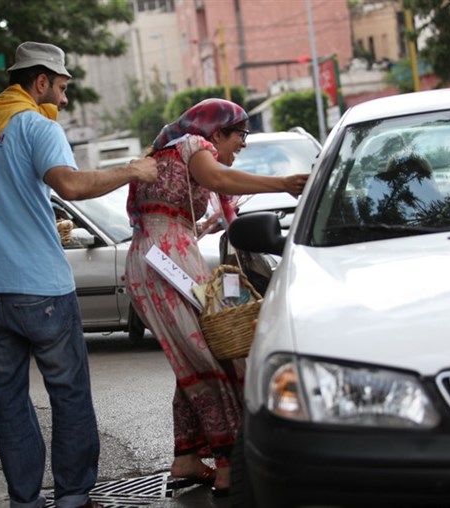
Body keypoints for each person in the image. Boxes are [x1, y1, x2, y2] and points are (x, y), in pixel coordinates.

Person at [0, 41, 157, 508]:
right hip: (42, 289)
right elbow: (71, 185)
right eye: (62, 87)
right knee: (69, 394)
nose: (65, 98)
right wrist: (133, 170)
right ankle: (73, 497)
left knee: (9, 401)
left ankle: (25, 501)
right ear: (40, 83)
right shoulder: (37, 125)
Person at [124, 98, 307, 496]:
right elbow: (221, 181)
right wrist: (283, 183)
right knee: (216, 358)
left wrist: (202, 225)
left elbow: (166, 212)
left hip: (156, 257)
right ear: (216, 131)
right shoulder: (193, 145)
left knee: (193, 358)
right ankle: (227, 462)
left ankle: (188, 456)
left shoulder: (166, 151)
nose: (242, 144)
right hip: (167, 261)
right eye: (240, 134)